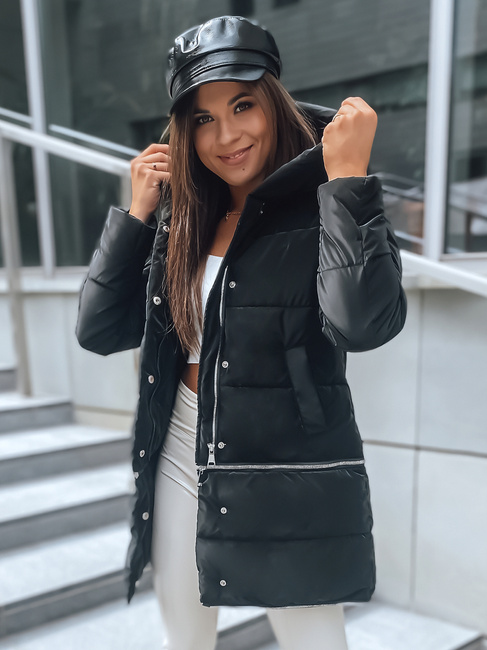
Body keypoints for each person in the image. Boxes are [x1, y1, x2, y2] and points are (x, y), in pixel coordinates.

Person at [76, 15, 407, 650]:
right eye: (203, 118)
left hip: (285, 466)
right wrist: (136, 214)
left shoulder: (329, 197)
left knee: (316, 644)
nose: (226, 135)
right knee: (185, 641)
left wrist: (347, 182)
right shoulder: (186, 214)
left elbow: (361, 323)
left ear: (273, 101)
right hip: (179, 444)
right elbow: (101, 330)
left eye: (242, 105)